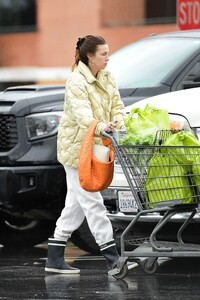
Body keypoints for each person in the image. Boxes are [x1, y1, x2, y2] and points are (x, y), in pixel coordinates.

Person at [45, 35, 137, 275]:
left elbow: (117, 106)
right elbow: (81, 114)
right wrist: (100, 126)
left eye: (108, 53)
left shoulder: (107, 77)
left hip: (97, 146)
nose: (108, 58)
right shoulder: (76, 81)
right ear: (90, 56)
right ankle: (112, 259)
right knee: (93, 202)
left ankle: (54, 259)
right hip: (77, 149)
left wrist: (119, 122)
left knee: (74, 206)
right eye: (103, 54)